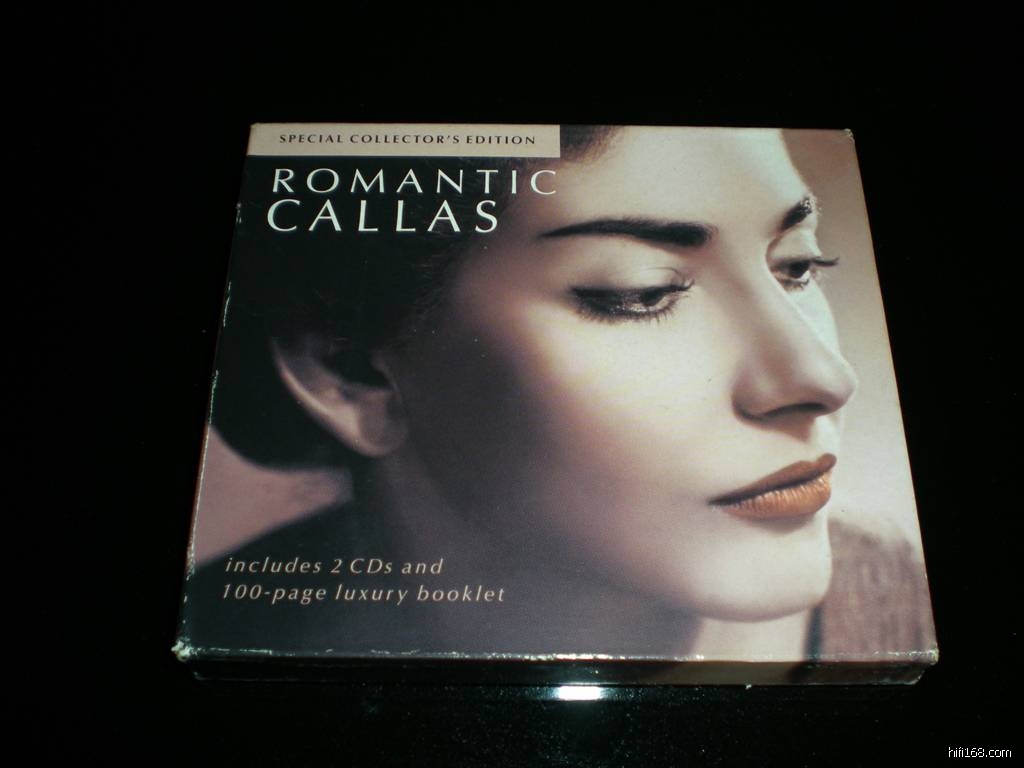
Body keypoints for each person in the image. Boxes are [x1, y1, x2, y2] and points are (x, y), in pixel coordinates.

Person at [181, 126, 935, 672]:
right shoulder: (223, 644)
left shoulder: (914, 612)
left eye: (797, 266)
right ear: (350, 374)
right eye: (640, 293)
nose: (823, 376)